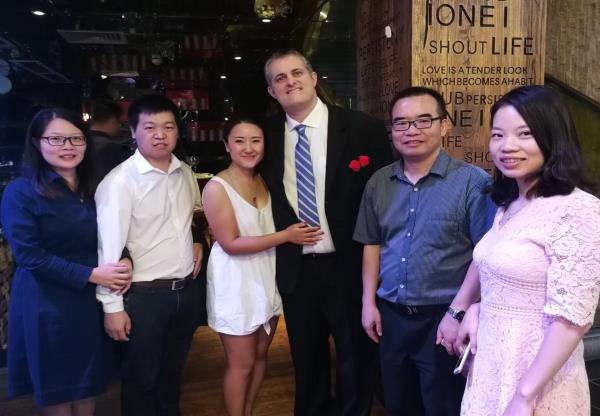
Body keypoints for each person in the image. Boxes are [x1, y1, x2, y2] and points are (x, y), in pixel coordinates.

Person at [450, 85, 600, 415]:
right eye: (498, 135)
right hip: (492, 363)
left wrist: (524, 396)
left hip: (536, 377)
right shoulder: (510, 203)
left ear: (553, 137)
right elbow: (509, 279)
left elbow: (572, 318)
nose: (507, 146)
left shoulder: (578, 209)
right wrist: (475, 309)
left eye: (524, 134)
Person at [260, 49, 393, 416]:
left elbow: (386, 196)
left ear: (314, 78)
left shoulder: (362, 128)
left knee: (356, 356)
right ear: (272, 91)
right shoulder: (265, 137)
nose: (291, 82)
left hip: (349, 264)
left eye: (297, 73)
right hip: (297, 269)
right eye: (280, 78)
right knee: (307, 360)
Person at [353, 86, 495, 415]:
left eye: (423, 120)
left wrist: (458, 313)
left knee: (442, 406)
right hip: (391, 317)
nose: (411, 130)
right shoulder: (378, 183)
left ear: (444, 125)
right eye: (401, 123)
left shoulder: (472, 183)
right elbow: (372, 242)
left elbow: (485, 254)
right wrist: (368, 302)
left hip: (443, 318)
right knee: (398, 403)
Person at [0, 108, 132, 415]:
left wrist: (125, 258)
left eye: (75, 138)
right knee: (59, 393)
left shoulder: (95, 186)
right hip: (48, 303)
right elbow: (29, 256)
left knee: (88, 387)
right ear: (37, 143)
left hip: (89, 301)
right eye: (56, 139)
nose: (68, 146)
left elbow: (112, 233)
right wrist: (92, 275)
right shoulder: (21, 191)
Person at [202, 116, 323, 416]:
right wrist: (286, 236)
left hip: (266, 276)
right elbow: (230, 243)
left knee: (259, 356)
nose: (248, 148)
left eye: (255, 141)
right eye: (239, 141)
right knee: (241, 363)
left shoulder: (264, 180)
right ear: (227, 145)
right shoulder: (217, 187)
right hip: (236, 283)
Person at [95, 95, 203, 416]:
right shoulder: (120, 181)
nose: (160, 135)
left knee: (172, 376)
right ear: (133, 132)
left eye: (168, 127)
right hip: (143, 298)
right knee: (140, 381)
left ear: (177, 132)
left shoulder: (185, 173)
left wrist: (198, 240)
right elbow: (108, 249)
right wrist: (112, 307)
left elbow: (189, 219)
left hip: (184, 293)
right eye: (150, 127)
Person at [88, 99, 132, 180]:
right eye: (119, 123)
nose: (119, 127)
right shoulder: (111, 148)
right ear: (113, 120)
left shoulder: (79, 142)